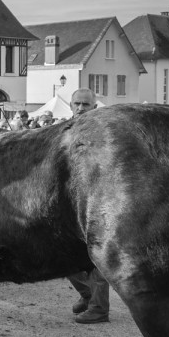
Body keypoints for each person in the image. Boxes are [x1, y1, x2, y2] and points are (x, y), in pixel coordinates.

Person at [65, 89, 110, 324]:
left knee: (97, 257)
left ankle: (100, 308)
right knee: (65, 256)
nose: (80, 107)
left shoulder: (103, 133)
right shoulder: (64, 131)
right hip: (71, 202)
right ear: (70, 105)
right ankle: (89, 295)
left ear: (94, 107)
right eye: (77, 103)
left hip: (98, 200)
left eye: (85, 104)